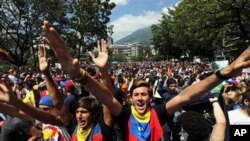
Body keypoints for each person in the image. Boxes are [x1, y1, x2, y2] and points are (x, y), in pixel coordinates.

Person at [41, 20, 250, 140]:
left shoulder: (157, 114)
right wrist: (81, 76)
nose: (140, 98)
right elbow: (105, 97)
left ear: (150, 98)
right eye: (136, 95)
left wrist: (224, 73)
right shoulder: (123, 114)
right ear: (130, 99)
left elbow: (187, 95)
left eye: (144, 94)